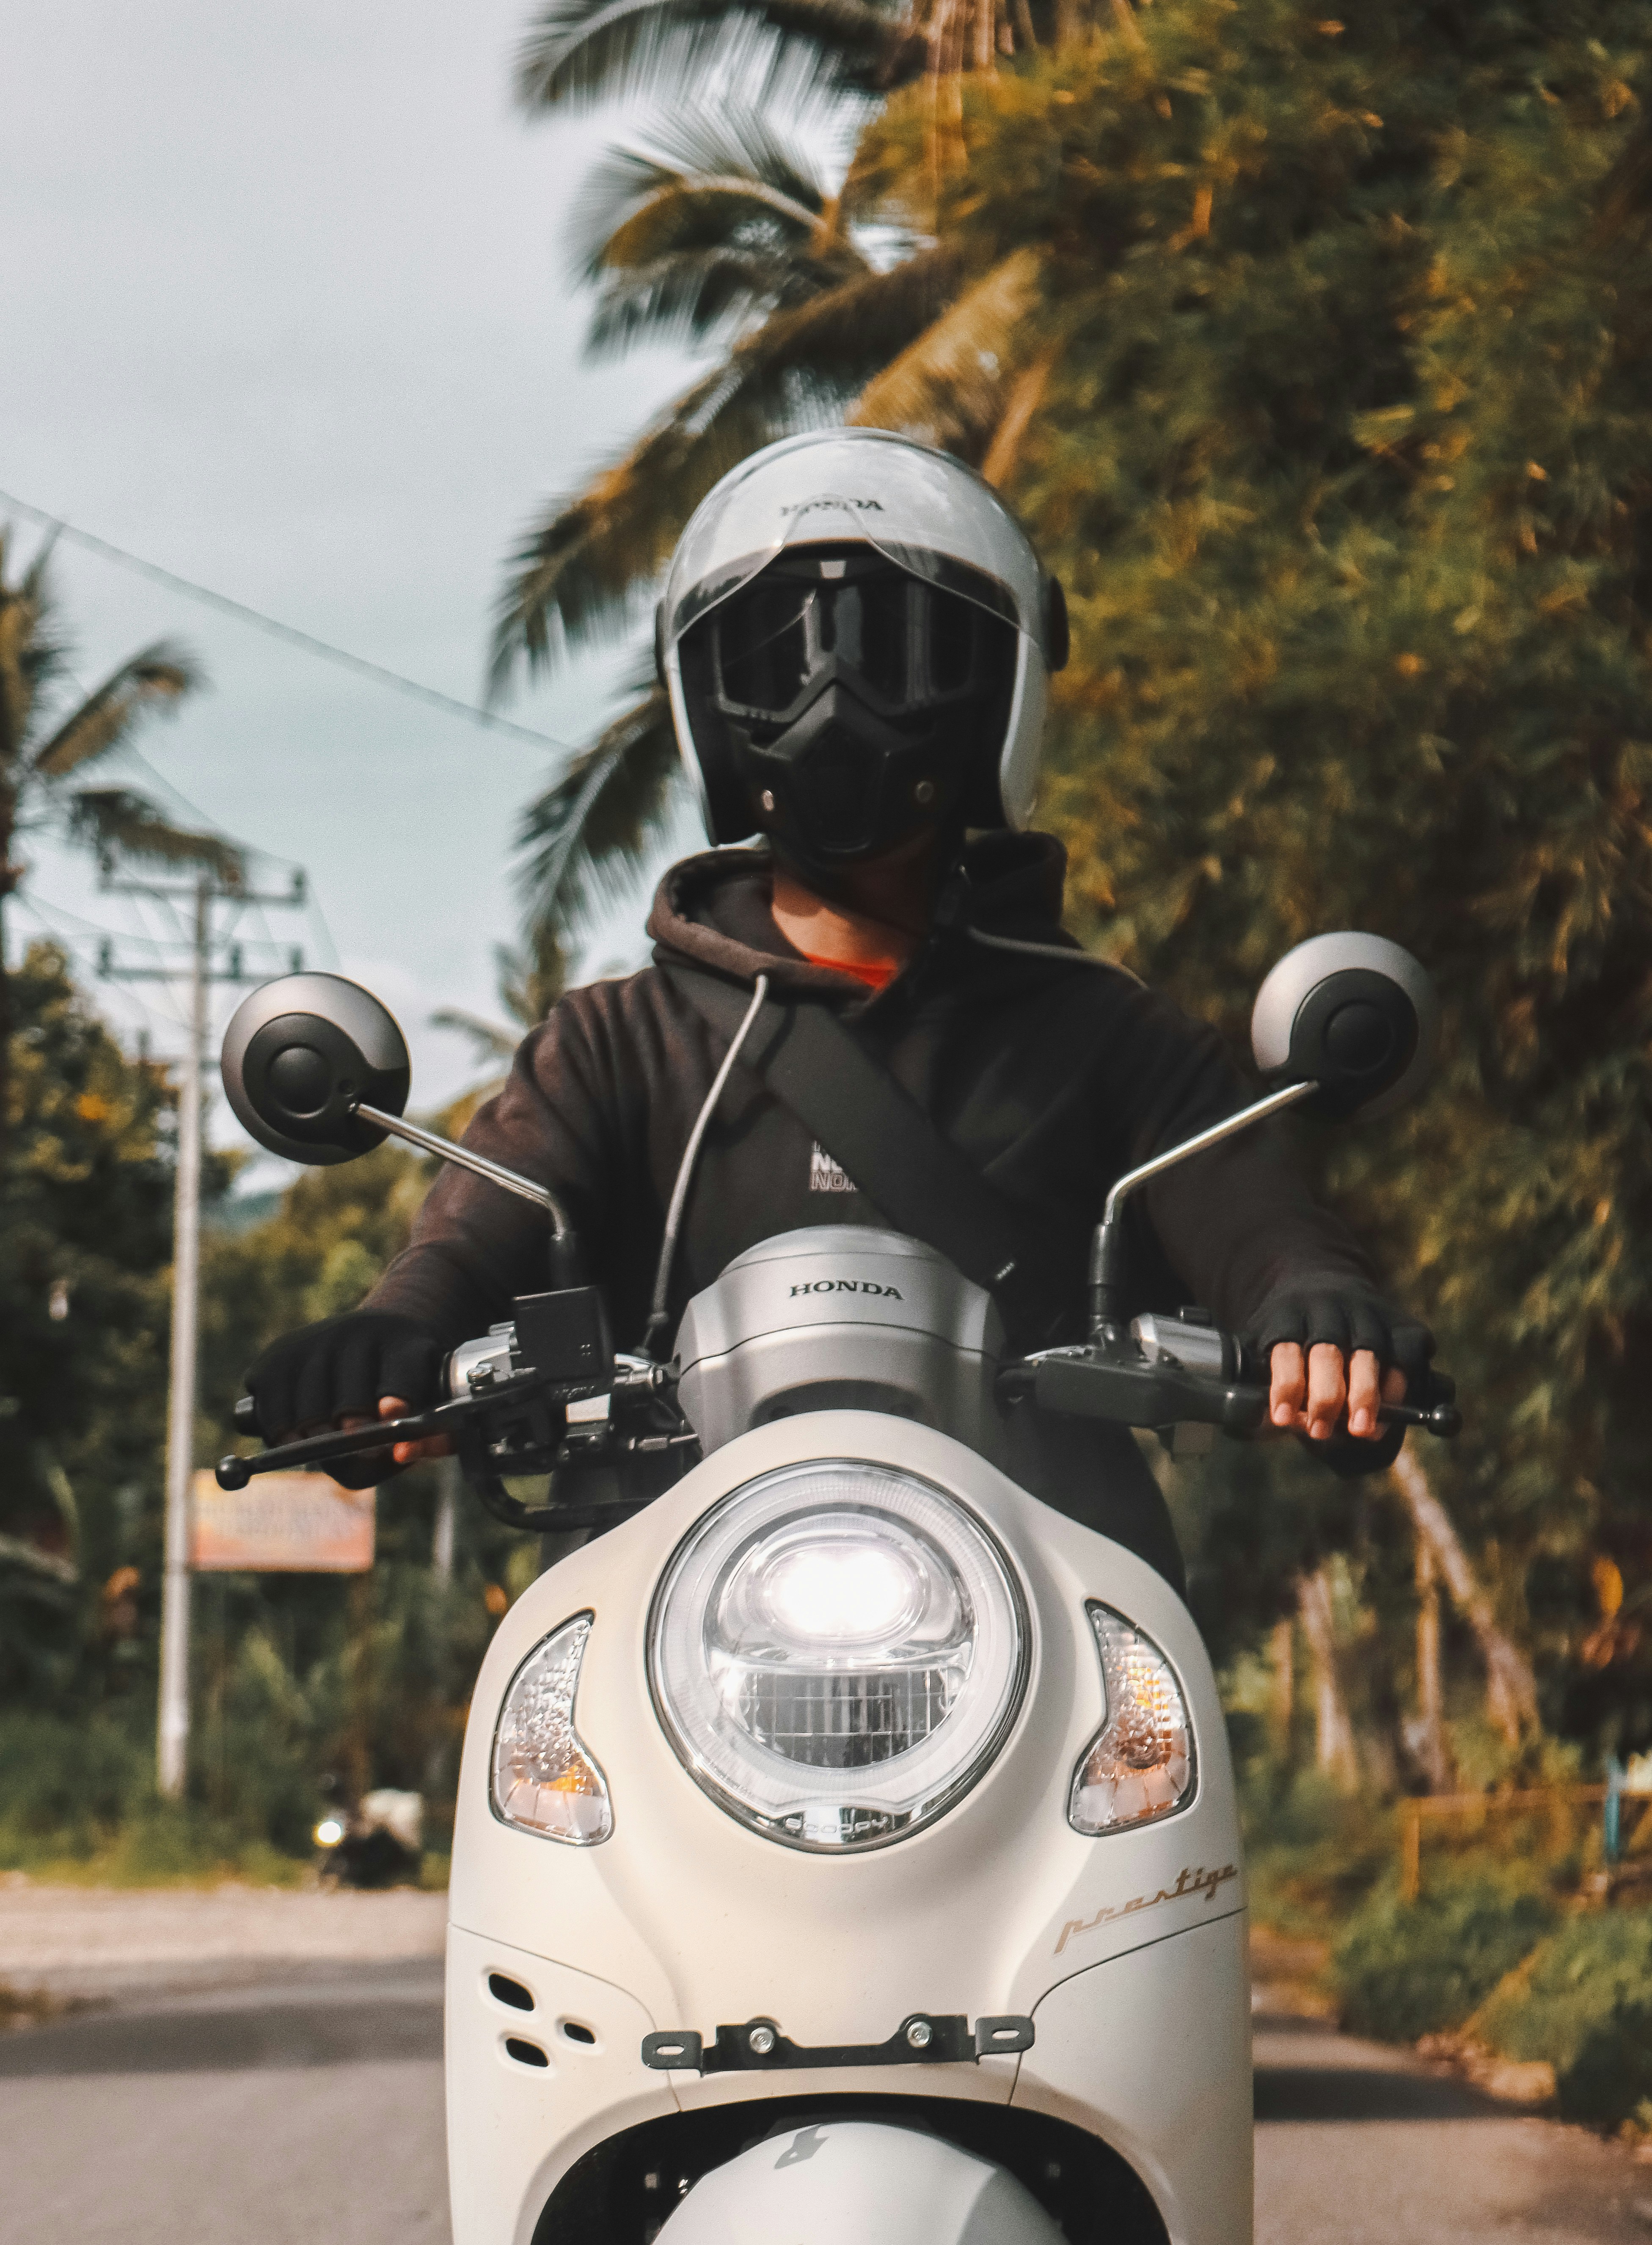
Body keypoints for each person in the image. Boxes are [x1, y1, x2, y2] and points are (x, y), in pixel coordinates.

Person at [245, 432, 1430, 1581]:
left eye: (897, 649)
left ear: (995, 682)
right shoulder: (613, 1046)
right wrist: (397, 1332)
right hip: (669, 1614)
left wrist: (1315, 1312)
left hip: (1043, 1607)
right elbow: (480, 1230)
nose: (833, 695)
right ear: (708, 698)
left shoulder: (1111, 1039)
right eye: (779, 657)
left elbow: (1257, 1226)